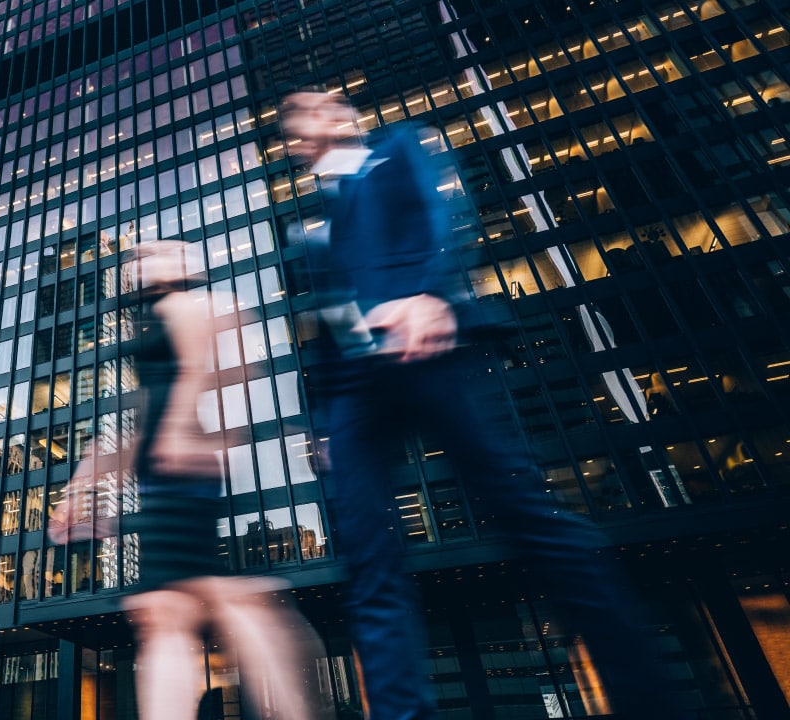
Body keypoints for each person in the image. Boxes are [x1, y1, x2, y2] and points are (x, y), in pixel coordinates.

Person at [279, 92, 687, 720]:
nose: (296, 126)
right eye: (290, 123)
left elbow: (447, 216)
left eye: (306, 111)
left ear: (339, 115)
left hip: (433, 352)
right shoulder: (311, 227)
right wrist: (324, 425)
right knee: (370, 561)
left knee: (527, 517)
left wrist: (431, 296)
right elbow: (328, 320)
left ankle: (650, 702)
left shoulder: (399, 151)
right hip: (357, 390)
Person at [53, 240, 324, 720]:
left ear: (185, 265)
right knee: (173, 606)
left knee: (172, 607)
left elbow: (197, 372)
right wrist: (82, 482)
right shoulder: (157, 314)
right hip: (164, 465)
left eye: (158, 254)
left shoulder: (189, 306)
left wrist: (177, 430)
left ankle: (291, 696)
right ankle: (288, 692)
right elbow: (144, 408)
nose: (142, 262)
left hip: (179, 462)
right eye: (139, 258)